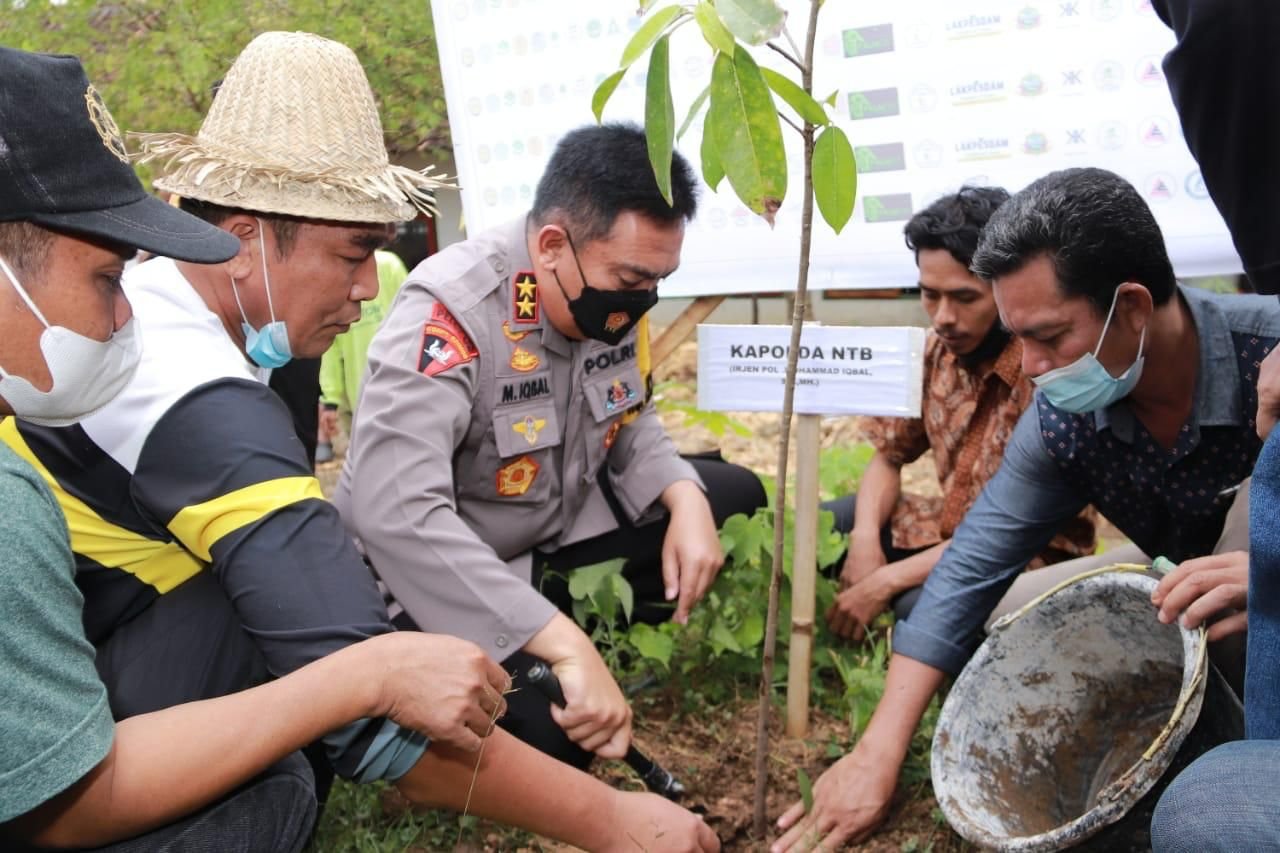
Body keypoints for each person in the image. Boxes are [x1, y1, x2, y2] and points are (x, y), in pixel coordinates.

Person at [1, 34, 717, 852]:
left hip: (86, 640)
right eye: (352, 252)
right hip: (58, 728)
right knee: (287, 733)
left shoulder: (218, 330)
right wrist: (615, 820)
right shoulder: (201, 396)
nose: (372, 285)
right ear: (243, 240)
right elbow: (368, 690)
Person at [0, 44, 508, 853]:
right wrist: (359, 676)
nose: (126, 315)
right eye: (106, 278)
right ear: (244, 241)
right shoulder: (184, 403)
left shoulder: (225, 347)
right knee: (274, 731)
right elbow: (65, 799)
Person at [772, 167, 1279, 851]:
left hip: (1255, 583)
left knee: (1259, 529)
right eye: (1019, 340)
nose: (1032, 367)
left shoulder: (1268, 359)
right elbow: (973, 563)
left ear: (1132, 307)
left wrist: (1267, 571)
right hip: (1175, 565)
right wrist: (875, 753)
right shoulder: (1065, 420)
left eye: (1049, 336)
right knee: (1007, 619)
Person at [334, 122, 767, 770]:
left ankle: (552, 623)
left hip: (546, 534)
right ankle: (544, 633)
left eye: (657, 279)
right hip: (441, 570)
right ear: (552, 245)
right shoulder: (451, 311)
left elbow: (626, 414)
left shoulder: (605, 294)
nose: (640, 299)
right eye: (631, 277)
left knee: (732, 495)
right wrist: (566, 646)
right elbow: (394, 511)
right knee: (558, 738)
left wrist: (683, 496)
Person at [823, 187, 1096, 641]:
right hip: (943, 534)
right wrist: (865, 542)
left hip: (1026, 558)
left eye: (964, 298)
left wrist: (886, 580)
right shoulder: (937, 351)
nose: (943, 317)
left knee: (921, 609)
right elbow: (889, 454)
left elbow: (1009, 537)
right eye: (930, 296)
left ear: (1006, 287)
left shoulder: (1049, 372)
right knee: (832, 525)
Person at [317, 232, 409, 462]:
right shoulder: (334, 274)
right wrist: (330, 399)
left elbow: (413, 321)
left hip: (397, 390)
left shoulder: (389, 266)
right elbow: (332, 345)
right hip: (361, 396)